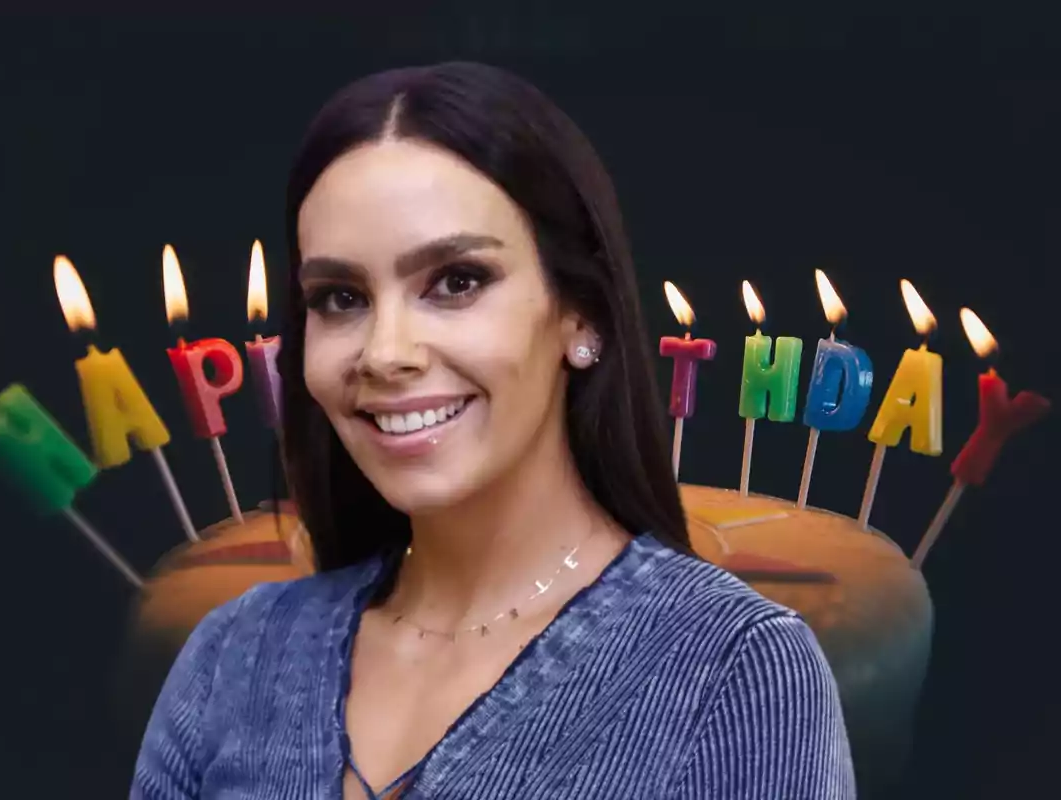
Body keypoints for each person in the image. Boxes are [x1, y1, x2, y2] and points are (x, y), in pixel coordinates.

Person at [131, 61, 855, 799]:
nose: (385, 353)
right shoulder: (234, 656)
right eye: (340, 297)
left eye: (456, 282)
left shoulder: (735, 671)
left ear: (582, 314)